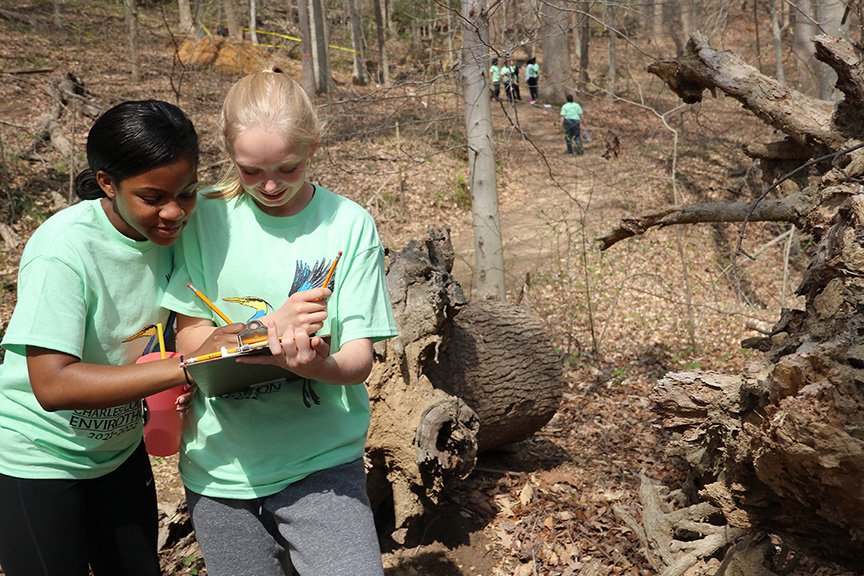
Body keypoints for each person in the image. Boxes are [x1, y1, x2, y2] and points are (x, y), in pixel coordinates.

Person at [162, 68, 398, 576]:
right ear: (228, 153)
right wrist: (268, 329)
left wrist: (313, 364)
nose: (269, 186)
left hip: (322, 461)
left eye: (287, 169)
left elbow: (358, 360)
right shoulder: (204, 217)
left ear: (313, 147)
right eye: (250, 172)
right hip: (221, 468)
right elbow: (192, 338)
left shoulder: (347, 223)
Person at [0, 100, 234, 576]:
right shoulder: (64, 250)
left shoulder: (182, 229)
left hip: (121, 450)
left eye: (186, 192)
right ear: (107, 183)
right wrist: (186, 366)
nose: (174, 212)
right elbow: (52, 385)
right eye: (153, 198)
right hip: (38, 459)